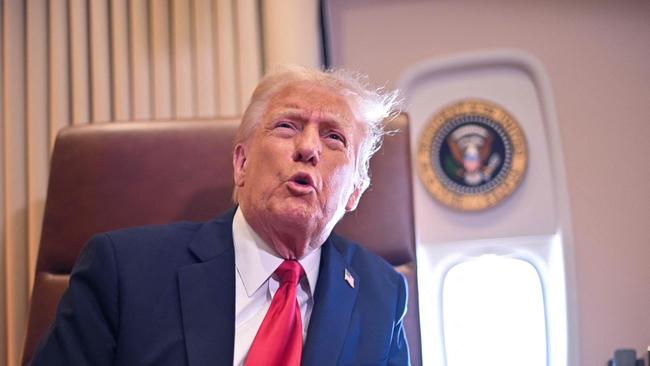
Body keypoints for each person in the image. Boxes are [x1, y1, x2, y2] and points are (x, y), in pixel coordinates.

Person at [31, 65, 409, 366]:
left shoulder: (382, 293)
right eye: (287, 126)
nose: (308, 147)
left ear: (355, 191)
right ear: (241, 163)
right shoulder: (123, 271)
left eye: (334, 138)